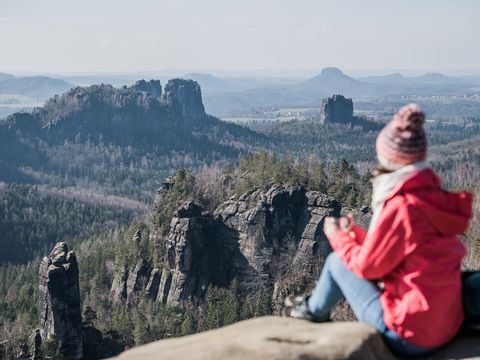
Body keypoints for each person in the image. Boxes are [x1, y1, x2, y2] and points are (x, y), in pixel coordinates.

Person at [284, 104, 473, 357]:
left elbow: (369, 268)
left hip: (410, 335)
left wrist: (337, 236)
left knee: (336, 262)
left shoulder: (402, 206)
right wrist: (358, 236)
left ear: (390, 158)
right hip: (447, 324)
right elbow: (403, 249)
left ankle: (311, 312)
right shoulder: (432, 197)